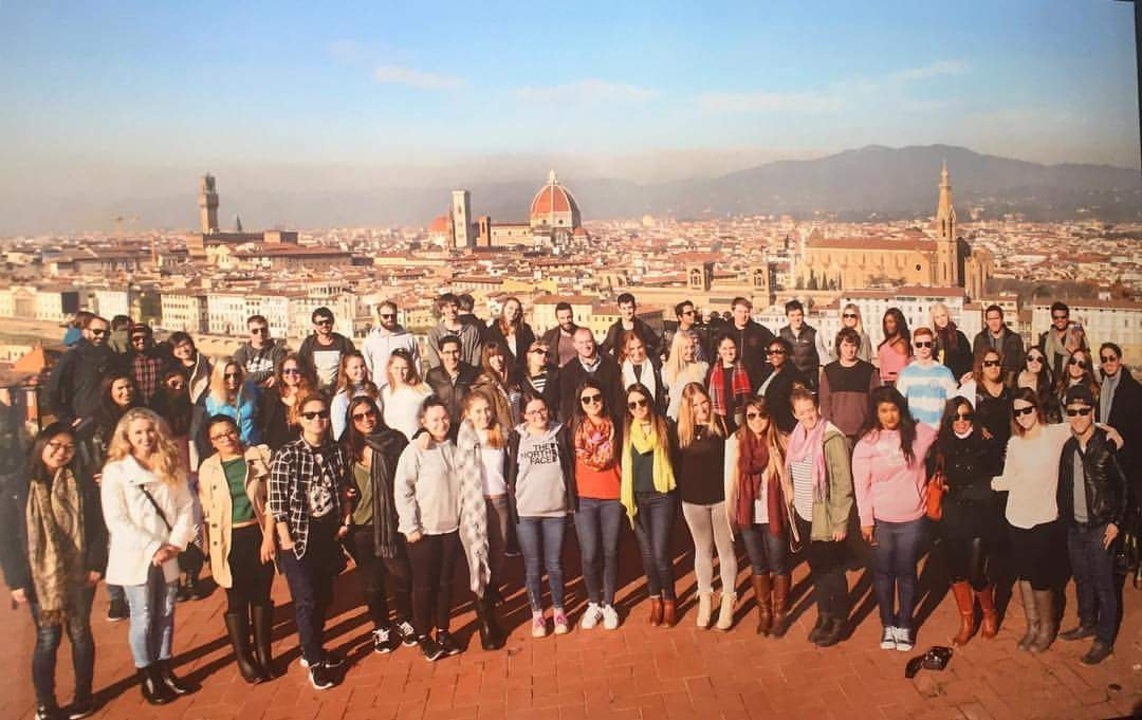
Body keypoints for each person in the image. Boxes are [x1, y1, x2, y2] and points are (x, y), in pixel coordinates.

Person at [1, 423, 106, 720]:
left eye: (68, 448)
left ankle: (83, 697)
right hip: (39, 577)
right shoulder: (16, 486)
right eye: (55, 446)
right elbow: (7, 538)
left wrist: (97, 564)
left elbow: (98, 527)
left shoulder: (82, 482)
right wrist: (16, 580)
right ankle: (45, 703)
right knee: (48, 639)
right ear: (41, 445)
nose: (61, 453)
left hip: (80, 573)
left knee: (81, 634)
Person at [100, 408, 197, 704]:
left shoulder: (170, 465)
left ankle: (166, 667)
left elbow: (185, 506)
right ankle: (148, 675)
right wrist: (153, 547)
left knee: (167, 612)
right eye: (138, 432)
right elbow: (116, 519)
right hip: (136, 555)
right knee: (142, 616)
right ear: (127, 437)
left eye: (149, 430)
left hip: (169, 551)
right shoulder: (115, 471)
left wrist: (174, 544)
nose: (145, 437)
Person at [269, 393, 351, 689]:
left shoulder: (335, 450)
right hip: (299, 537)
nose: (318, 420)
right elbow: (276, 502)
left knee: (325, 597)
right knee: (306, 599)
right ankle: (315, 662)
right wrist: (285, 540)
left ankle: (313, 647)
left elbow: (343, 487)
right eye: (310, 415)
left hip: (326, 535)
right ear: (298, 419)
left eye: (322, 414)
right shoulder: (287, 454)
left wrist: (345, 518)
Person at [852, 387, 938, 652]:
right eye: (883, 410)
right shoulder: (867, 442)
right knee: (883, 574)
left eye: (893, 409)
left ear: (901, 409)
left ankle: (904, 625)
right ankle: (888, 623)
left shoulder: (918, 434)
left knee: (907, 572)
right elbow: (861, 486)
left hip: (912, 518)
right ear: (876, 412)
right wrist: (866, 520)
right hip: (881, 521)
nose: (889, 416)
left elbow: (947, 425)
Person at [990, 389, 1076, 654]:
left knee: (1041, 576)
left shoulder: (1054, 434)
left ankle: (1047, 628)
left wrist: (1114, 433)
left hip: (1044, 517)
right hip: (1016, 516)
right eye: (1018, 412)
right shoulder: (1015, 443)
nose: (1023, 416)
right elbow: (1008, 478)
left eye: (1027, 409)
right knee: (1024, 575)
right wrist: (989, 483)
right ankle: (1033, 625)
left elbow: (1087, 424)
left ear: (1036, 408)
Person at [197, 416, 276, 684]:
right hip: (227, 540)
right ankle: (244, 658)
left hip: (257, 533)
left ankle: (265, 654)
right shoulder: (208, 469)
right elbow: (206, 511)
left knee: (262, 596)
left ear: (238, 431)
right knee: (237, 598)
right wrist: (207, 548)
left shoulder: (258, 456)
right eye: (219, 436)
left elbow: (271, 499)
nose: (226, 439)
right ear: (211, 441)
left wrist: (269, 538)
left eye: (230, 432)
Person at [1056, 385, 1128, 665]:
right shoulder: (1068, 447)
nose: (1077, 417)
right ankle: (1087, 623)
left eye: (1083, 412)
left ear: (1092, 413)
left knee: (1104, 584)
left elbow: (1123, 489)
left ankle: (1105, 640)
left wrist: (1116, 523)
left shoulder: (1106, 447)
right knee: (1082, 579)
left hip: (1100, 527)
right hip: (1075, 527)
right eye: (1071, 412)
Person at [340, 397, 418, 654]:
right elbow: (338, 480)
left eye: (369, 413)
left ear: (377, 413)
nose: (366, 420)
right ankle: (381, 627)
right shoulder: (346, 446)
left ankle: (404, 619)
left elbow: (411, 475)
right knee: (372, 582)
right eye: (358, 417)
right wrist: (345, 491)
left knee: (402, 574)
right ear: (351, 421)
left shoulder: (394, 440)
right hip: (361, 525)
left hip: (392, 521)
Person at [394, 397, 464, 661]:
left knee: (446, 584)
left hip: (451, 527)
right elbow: (403, 490)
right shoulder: (414, 451)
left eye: (444, 417)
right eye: (434, 419)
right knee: (424, 586)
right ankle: (424, 635)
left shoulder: (455, 446)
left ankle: (443, 631)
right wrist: (411, 525)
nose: (441, 423)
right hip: (423, 531)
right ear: (423, 422)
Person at [931, 397, 1003, 647]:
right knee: (955, 571)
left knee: (975, 572)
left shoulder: (985, 441)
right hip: (952, 515)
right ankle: (967, 621)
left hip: (979, 513)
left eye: (966, 416)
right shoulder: (941, 444)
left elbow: (995, 478)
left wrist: (970, 490)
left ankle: (990, 613)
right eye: (956, 417)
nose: (961, 421)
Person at [787, 387, 854, 647]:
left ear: (818, 407)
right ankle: (824, 614)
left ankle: (840, 620)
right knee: (817, 569)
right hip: (804, 514)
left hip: (825, 516)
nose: (807, 416)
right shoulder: (797, 437)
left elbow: (842, 483)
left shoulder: (830, 437)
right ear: (795, 414)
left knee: (833, 570)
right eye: (801, 412)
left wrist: (840, 521)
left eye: (810, 410)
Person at [505, 393, 575, 637]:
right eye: (533, 412)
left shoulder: (560, 433)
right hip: (527, 512)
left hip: (555, 510)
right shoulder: (517, 437)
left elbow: (569, 467)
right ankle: (537, 614)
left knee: (554, 564)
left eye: (542, 410)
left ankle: (558, 609)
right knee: (532, 566)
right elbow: (509, 471)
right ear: (525, 415)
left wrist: (571, 502)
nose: (539, 416)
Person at [725, 396, 791, 636]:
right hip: (748, 515)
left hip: (773, 513)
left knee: (779, 563)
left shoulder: (782, 440)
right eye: (751, 415)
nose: (757, 420)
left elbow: (789, 481)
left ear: (769, 416)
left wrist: (777, 460)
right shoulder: (737, 442)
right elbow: (729, 479)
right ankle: (764, 612)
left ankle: (780, 612)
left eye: (761, 415)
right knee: (758, 563)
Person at [674, 384, 736, 631]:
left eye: (704, 403)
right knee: (702, 550)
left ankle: (729, 599)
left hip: (720, 498)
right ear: (687, 408)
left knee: (725, 550)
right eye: (695, 405)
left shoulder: (723, 424)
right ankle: (705, 597)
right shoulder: (679, 431)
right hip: (692, 501)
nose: (701, 409)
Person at [452, 391, 509, 649]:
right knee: (478, 563)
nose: (484, 415)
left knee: (496, 562)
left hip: (500, 504)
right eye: (477, 411)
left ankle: (491, 605)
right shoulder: (463, 440)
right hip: (475, 508)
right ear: (467, 414)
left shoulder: (502, 434)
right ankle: (486, 625)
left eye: (487, 409)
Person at [621, 383, 679, 627]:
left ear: (649, 401)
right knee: (646, 555)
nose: (638, 408)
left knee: (660, 553)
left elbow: (678, 458)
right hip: (637, 498)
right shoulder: (626, 431)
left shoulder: (664, 425)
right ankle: (655, 599)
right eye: (632, 404)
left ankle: (670, 600)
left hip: (661, 497)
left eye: (642, 402)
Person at [569, 378, 623, 631]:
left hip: (612, 494)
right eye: (587, 399)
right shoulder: (574, 428)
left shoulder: (617, 426)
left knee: (610, 551)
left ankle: (609, 602)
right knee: (590, 554)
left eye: (596, 398)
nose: (592, 403)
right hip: (585, 497)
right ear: (580, 403)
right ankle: (594, 603)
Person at [1098, 343, 1142, 553]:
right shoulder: (1103, 387)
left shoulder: (1133, 390)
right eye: (1104, 359)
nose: (1108, 363)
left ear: (1119, 359)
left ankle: (1130, 558)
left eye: (1112, 358)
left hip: (1127, 458)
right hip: (1109, 457)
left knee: (1127, 512)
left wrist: (1121, 438)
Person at [46, 315, 120, 432]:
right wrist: (68, 419)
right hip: (82, 424)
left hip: (109, 422)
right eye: (97, 332)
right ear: (85, 332)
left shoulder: (111, 357)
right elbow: (51, 392)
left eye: (106, 333)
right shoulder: (72, 357)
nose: (101, 336)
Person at [819, 327, 880, 443]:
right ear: (839, 347)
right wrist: (831, 428)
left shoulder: (868, 370)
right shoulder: (829, 371)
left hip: (864, 433)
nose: (850, 350)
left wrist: (872, 427)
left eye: (853, 345)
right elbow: (825, 403)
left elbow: (876, 401)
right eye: (845, 345)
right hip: (838, 433)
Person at [894, 327, 958, 430]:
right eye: (919, 345)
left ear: (933, 345)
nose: (923, 348)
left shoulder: (945, 372)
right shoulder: (906, 373)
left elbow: (953, 404)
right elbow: (899, 404)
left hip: (938, 432)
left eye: (927, 344)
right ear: (913, 346)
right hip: (914, 432)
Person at [558, 328, 623, 423]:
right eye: (581, 343)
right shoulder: (567, 371)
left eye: (588, 341)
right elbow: (568, 404)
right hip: (582, 426)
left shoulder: (611, 366)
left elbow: (617, 398)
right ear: (575, 345)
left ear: (594, 342)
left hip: (609, 422)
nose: (585, 346)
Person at [258, 353, 315, 452]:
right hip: (275, 450)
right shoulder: (272, 394)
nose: (291, 375)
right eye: (287, 371)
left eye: (296, 371)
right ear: (281, 373)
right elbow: (263, 421)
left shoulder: (311, 396)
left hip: (302, 451)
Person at [298, 307, 357, 393]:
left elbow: (353, 364)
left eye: (327, 322)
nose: (324, 325)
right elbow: (301, 365)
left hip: (339, 391)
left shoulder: (344, 343)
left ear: (332, 322)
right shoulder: (309, 343)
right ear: (314, 325)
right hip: (314, 391)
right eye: (320, 323)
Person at [426, 336, 481, 428]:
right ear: (440, 354)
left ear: (461, 352)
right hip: (442, 426)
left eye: (455, 352)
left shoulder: (472, 372)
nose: (452, 357)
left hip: (467, 426)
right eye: (447, 352)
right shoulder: (433, 375)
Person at [204, 358, 261, 446]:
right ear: (220, 376)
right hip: (229, 446)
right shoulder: (212, 399)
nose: (232, 379)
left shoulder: (250, 388)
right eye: (227, 376)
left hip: (253, 443)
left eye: (236, 375)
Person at [757, 337, 807, 434]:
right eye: (771, 352)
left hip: (782, 428)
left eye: (779, 352)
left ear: (787, 354)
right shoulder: (766, 372)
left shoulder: (794, 376)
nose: (774, 355)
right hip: (763, 425)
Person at [381, 349, 432, 442]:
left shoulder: (423, 390)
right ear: (390, 368)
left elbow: (433, 417)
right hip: (391, 446)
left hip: (415, 444)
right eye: (396, 368)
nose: (400, 372)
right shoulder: (384, 391)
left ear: (411, 368)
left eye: (404, 368)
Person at [705, 334, 753, 434]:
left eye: (732, 348)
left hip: (740, 418)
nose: (729, 352)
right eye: (724, 348)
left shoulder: (746, 368)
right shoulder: (711, 371)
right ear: (719, 350)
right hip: (719, 418)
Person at [363, 301, 422, 380]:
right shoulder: (370, 341)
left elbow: (416, 366)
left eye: (393, 316)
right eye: (386, 316)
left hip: (405, 388)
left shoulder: (409, 339)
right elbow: (368, 369)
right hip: (379, 389)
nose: (390, 319)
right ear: (379, 316)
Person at [329, 351, 379, 441]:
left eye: (362, 366)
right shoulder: (341, 398)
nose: (360, 371)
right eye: (355, 367)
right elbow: (339, 433)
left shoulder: (372, 389)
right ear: (345, 370)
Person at [779, 300, 828, 391]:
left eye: (799, 315)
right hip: (790, 381)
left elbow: (824, 360)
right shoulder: (782, 334)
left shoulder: (813, 334)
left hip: (810, 381)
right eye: (792, 315)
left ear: (803, 315)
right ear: (787, 317)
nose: (796, 319)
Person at [662, 330, 709, 421]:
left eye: (692, 347)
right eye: (686, 348)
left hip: (697, 418)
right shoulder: (667, 371)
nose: (690, 351)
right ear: (678, 349)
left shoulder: (703, 367)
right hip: (675, 418)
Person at [470, 341, 518, 431]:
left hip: (518, 431)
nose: (497, 360)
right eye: (492, 356)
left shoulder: (513, 380)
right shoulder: (485, 386)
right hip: (499, 434)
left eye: (499, 355)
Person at [426, 293, 482, 369]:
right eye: (446, 307)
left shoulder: (472, 331)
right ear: (442, 310)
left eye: (453, 306)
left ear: (458, 307)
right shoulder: (435, 333)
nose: (451, 310)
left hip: (468, 376)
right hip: (444, 378)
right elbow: (434, 360)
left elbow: (476, 357)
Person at [233, 315, 290, 389]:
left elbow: (280, 373)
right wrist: (270, 373)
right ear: (249, 332)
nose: (260, 333)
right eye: (255, 331)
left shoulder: (278, 351)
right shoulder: (241, 353)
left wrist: (250, 376)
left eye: (263, 330)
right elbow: (242, 376)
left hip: (271, 393)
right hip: (248, 393)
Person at [602, 293, 660, 364]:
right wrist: (613, 361)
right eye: (624, 308)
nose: (627, 312)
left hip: (641, 367)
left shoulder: (642, 327)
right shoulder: (614, 329)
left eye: (630, 307)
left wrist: (649, 358)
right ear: (619, 309)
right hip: (621, 369)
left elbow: (657, 344)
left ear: (635, 308)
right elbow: (604, 349)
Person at [972, 305, 1024, 383]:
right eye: (990, 319)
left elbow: (1021, 363)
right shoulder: (980, 339)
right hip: (986, 384)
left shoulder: (1014, 339)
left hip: (1009, 384)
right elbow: (976, 364)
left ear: (1002, 319)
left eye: (996, 318)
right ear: (986, 321)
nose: (993, 322)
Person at [727, 297, 775, 380]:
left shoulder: (760, 331)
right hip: (730, 376)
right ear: (733, 312)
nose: (743, 315)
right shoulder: (725, 330)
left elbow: (776, 347)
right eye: (740, 311)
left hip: (755, 378)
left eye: (746, 312)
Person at [484, 297, 536, 373]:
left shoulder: (525, 330)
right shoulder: (492, 331)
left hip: (522, 374)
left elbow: (532, 351)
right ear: (504, 309)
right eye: (510, 308)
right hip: (501, 374)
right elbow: (487, 355)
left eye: (517, 310)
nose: (513, 312)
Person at [513, 340, 561, 420]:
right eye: (539, 352)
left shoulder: (555, 374)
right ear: (529, 354)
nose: (543, 356)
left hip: (552, 421)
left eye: (547, 354)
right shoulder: (520, 377)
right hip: (530, 422)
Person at [618, 331, 666, 411]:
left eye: (640, 347)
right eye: (632, 349)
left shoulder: (656, 366)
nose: (637, 352)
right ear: (624, 349)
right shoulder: (619, 369)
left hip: (654, 414)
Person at [931, 303, 973, 382]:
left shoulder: (959, 336)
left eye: (943, 315)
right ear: (934, 320)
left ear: (948, 316)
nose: (941, 319)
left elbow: (968, 359)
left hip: (961, 381)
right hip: (941, 382)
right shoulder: (934, 340)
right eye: (937, 317)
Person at [1017, 348, 1060, 423]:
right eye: (1030, 358)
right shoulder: (1016, 381)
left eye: (1039, 359)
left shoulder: (1047, 382)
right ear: (1025, 360)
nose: (1035, 362)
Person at [1055, 348, 1100, 419]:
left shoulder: (1092, 389)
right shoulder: (1061, 384)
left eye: (1081, 364)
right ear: (1069, 363)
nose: (1076, 366)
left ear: (1086, 369)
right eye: (1073, 361)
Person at [126, 324, 164, 405]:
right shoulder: (125, 360)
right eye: (136, 339)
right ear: (130, 341)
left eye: (145, 338)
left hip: (157, 406)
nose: (141, 341)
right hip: (134, 405)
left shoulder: (161, 358)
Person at [1039, 302, 1078, 380]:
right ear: (1052, 318)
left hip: (1070, 380)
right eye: (1056, 317)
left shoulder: (1076, 336)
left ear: (1068, 317)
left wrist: (1076, 350)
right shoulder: (1046, 338)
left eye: (1063, 317)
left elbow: (1085, 359)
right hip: (1050, 382)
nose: (1059, 320)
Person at [877, 308, 911, 386]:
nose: (887, 325)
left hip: (894, 383)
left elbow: (901, 369)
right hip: (885, 382)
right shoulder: (889, 341)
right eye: (886, 322)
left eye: (891, 322)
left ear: (898, 323)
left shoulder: (901, 344)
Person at [540, 302, 580, 368]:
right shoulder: (549, 336)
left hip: (579, 375)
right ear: (557, 318)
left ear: (572, 315)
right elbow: (541, 357)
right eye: (562, 318)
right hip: (558, 375)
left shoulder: (582, 334)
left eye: (569, 317)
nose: (566, 321)